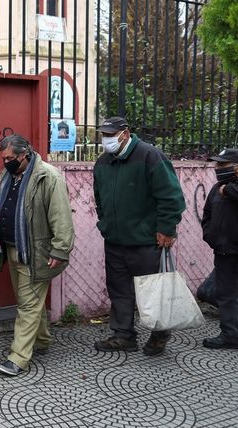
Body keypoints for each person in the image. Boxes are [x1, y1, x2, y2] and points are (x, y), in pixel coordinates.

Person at [93, 116, 185, 356]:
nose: (106, 139)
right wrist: (104, 223)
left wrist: (166, 228)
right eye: (104, 134)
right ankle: (123, 335)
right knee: (119, 290)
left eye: (110, 134)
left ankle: (159, 334)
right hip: (115, 240)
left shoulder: (149, 155)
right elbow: (100, 199)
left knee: (153, 291)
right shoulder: (103, 162)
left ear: (125, 133)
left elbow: (171, 196)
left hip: (146, 241)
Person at [0, 134, 75, 376]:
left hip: (35, 251)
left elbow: (61, 217)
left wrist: (60, 249)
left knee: (28, 305)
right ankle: (43, 340)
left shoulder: (47, 176)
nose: (5, 162)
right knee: (29, 302)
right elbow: (5, 209)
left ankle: (18, 358)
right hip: (11, 249)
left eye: (9, 158)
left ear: (23, 154)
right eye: (3, 158)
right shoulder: (7, 176)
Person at [201, 148, 238, 350]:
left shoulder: (228, 189)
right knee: (226, 294)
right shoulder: (217, 188)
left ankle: (232, 335)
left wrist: (231, 191)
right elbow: (207, 215)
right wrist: (210, 235)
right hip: (224, 251)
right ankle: (231, 334)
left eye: (223, 164)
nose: (218, 168)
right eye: (217, 164)